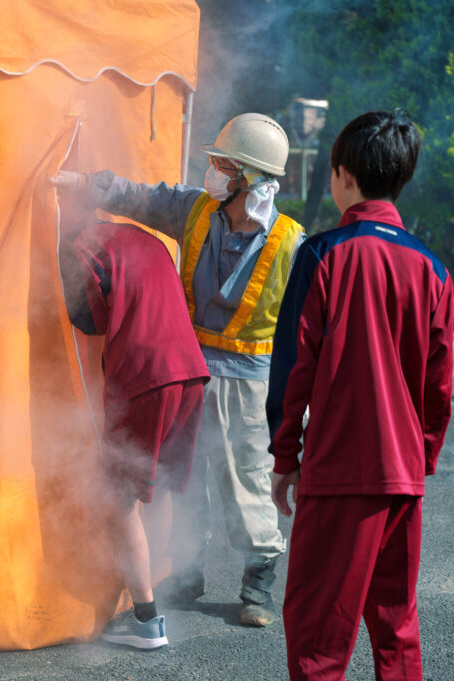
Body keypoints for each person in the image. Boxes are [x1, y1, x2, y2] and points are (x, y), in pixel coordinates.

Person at [52, 113, 305, 627]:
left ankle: (257, 584)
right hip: (192, 369)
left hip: (248, 381)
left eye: (222, 163)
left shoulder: (292, 244)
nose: (210, 169)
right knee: (184, 479)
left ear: (249, 178)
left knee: (246, 481)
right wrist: (85, 183)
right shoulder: (195, 210)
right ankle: (188, 572)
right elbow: (140, 196)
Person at [266, 109, 454, 680]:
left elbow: (293, 367)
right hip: (402, 478)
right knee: (396, 627)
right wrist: (420, 457)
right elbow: (438, 387)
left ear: (343, 174)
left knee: (319, 633)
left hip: (339, 474)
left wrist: (285, 457)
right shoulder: (434, 269)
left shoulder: (324, 253)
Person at [58, 218, 210, 650]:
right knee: (154, 488)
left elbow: (91, 319)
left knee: (118, 495)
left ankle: (146, 620)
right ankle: (153, 590)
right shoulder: (144, 238)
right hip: (191, 373)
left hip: (146, 376)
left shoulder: (81, 241)